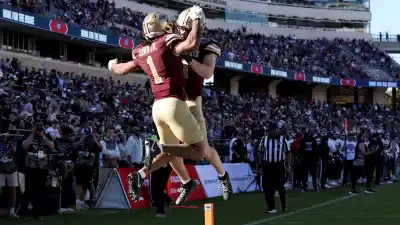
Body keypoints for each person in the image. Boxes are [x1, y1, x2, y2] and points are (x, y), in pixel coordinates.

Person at [108, 8, 219, 202]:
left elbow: (122, 69)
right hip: (174, 104)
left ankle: (142, 173)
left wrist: (110, 65)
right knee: (200, 152)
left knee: (171, 150)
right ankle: (157, 150)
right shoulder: (167, 42)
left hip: (157, 107)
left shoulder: (140, 50)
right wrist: (196, 22)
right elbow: (192, 43)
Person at [169, 12, 233, 202]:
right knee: (169, 149)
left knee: (203, 151)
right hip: (171, 100)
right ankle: (186, 182)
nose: (181, 32)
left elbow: (206, 73)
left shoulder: (206, 46)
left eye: (185, 28)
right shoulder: (173, 41)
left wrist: (187, 58)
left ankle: (223, 176)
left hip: (191, 102)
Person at [21, 124, 55, 220]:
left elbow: (52, 146)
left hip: (42, 168)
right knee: (29, 190)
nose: (38, 130)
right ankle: (26, 212)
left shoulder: (46, 135)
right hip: (30, 167)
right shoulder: (28, 135)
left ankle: (39, 213)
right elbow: (24, 146)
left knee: (41, 191)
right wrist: (32, 133)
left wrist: (43, 136)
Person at [259, 123, 289, 213]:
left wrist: (288, 165)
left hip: (278, 165)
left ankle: (283, 204)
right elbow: (260, 152)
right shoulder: (264, 139)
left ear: (275, 130)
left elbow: (288, 152)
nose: (269, 132)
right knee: (267, 187)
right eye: (268, 130)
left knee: (280, 186)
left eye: (271, 130)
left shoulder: (282, 139)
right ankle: (271, 208)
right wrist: (260, 166)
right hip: (267, 165)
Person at [73, 126, 102, 209]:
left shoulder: (93, 141)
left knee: (86, 184)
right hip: (80, 164)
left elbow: (100, 149)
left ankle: (81, 202)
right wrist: (82, 139)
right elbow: (74, 146)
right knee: (79, 183)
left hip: (89, 165)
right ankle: (77, 201)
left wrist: (95, 140)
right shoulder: (79, 139)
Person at [0, 133, 19, 218]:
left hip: (11, 167)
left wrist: (9, 142)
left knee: (13, 191)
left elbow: (15, 151)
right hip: (1, 167)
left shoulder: (13, 140)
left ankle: (12, 212)